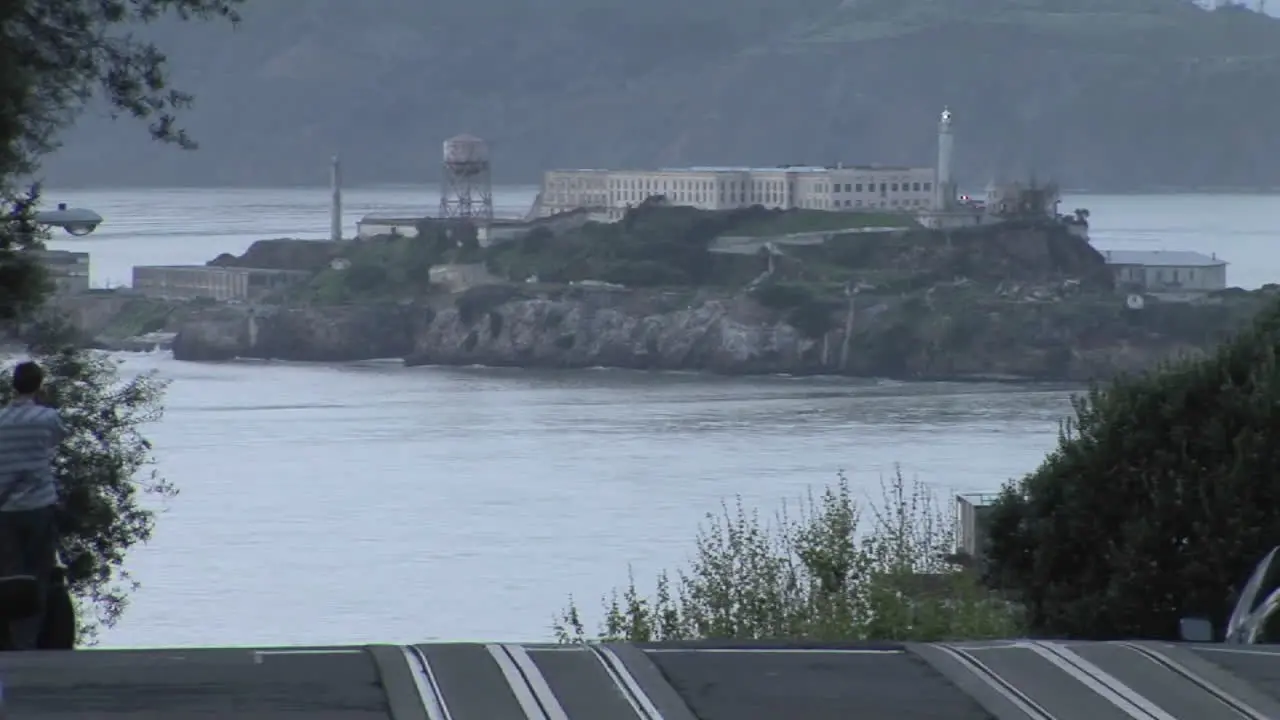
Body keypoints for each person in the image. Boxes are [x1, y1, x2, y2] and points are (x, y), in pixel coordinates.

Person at [0, 361, 68, 650]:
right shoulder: (47, 418)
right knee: (40, 570)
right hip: (39, 504)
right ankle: (34, 638)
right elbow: (58, 438)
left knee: (11, 573)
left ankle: (11, 639)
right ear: (39, 385)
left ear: (12, 385)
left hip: (6, 508)